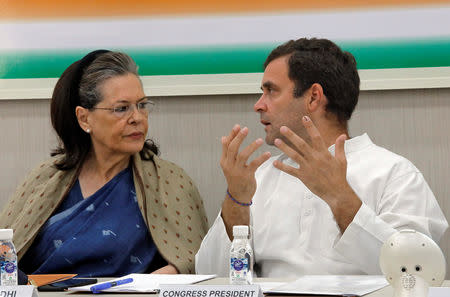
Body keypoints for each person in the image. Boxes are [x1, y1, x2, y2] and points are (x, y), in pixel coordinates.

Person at [195, 38, 448, 277]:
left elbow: (419, 273)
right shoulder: (262, 175)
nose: (259, 105)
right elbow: (210, 275)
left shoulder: (394, 173)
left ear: (314, 97)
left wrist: (340, 197)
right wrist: (236, 201)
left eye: (271, 91)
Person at [0, 50, 208, 276]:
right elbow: (6, 254)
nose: (137, 117)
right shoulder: (45, 178)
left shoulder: (170, 182)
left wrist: (164, 276)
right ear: (84, 118)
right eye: (121, 108)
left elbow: (196, 258)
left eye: (142, 105)